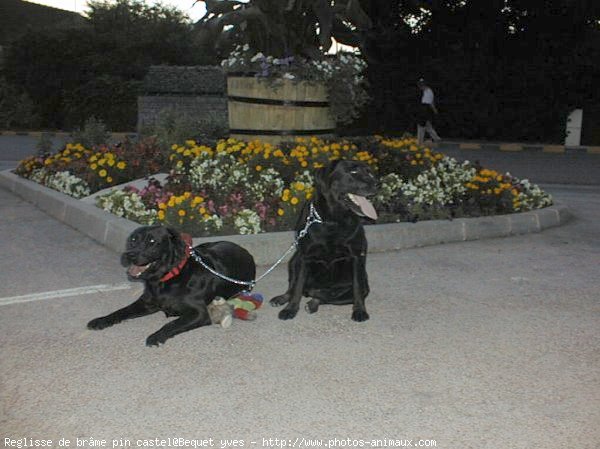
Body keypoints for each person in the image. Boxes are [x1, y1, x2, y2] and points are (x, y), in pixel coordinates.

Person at [416, 78, 441, 144]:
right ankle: (436, 138)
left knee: (421, 125)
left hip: (425, 109)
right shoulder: (427, 91)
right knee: (427, 125)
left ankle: (419, 141)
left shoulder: (428, 91)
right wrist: (434, 110)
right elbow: (432, 102)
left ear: (423, 85)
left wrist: (434, 109)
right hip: (425, 109)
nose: (419, 87)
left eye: (420, 85)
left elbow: (430, 103)